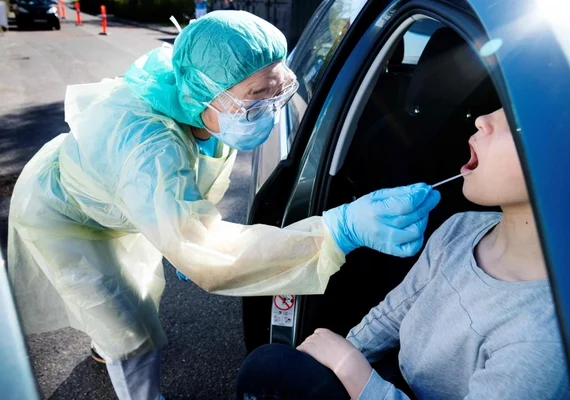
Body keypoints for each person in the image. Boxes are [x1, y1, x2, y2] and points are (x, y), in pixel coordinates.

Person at [7, 11, 440, 400]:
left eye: (277, 88)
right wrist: (337, 229)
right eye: (255, 96)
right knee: (127, 325)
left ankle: (105, 343)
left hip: (105, 191)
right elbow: (209, 254)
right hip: (62, 212)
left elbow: (199, 176)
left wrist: (186, 222)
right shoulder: (146, 152)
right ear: (206, 91)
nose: (268, 108)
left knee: (126, 296)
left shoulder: (201, 101)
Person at [234, 108, 570, 399]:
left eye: (516, 119)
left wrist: (351, 369)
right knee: (275, 367)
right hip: (394, 380)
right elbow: (394, 311)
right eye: (496, 107)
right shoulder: (464, 227)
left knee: (268, 369)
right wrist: (335, 358)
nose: (482, 119)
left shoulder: (542, 341)